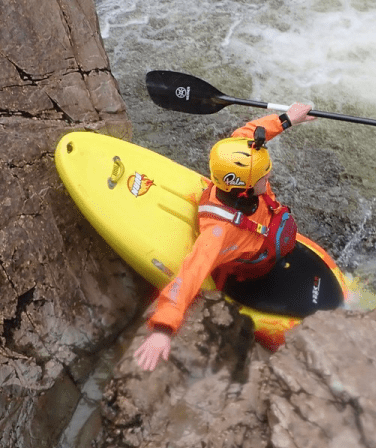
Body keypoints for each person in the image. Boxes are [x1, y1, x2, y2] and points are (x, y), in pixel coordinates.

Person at [134, 103, 316, 371]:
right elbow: (189, 275)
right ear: (242, 190)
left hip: (270, 233)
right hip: (253, 272)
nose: (269, 176)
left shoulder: (235, 157)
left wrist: (288, 119)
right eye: (263, 177)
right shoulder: (217, 234)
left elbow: (250, 132)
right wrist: (162, 329)